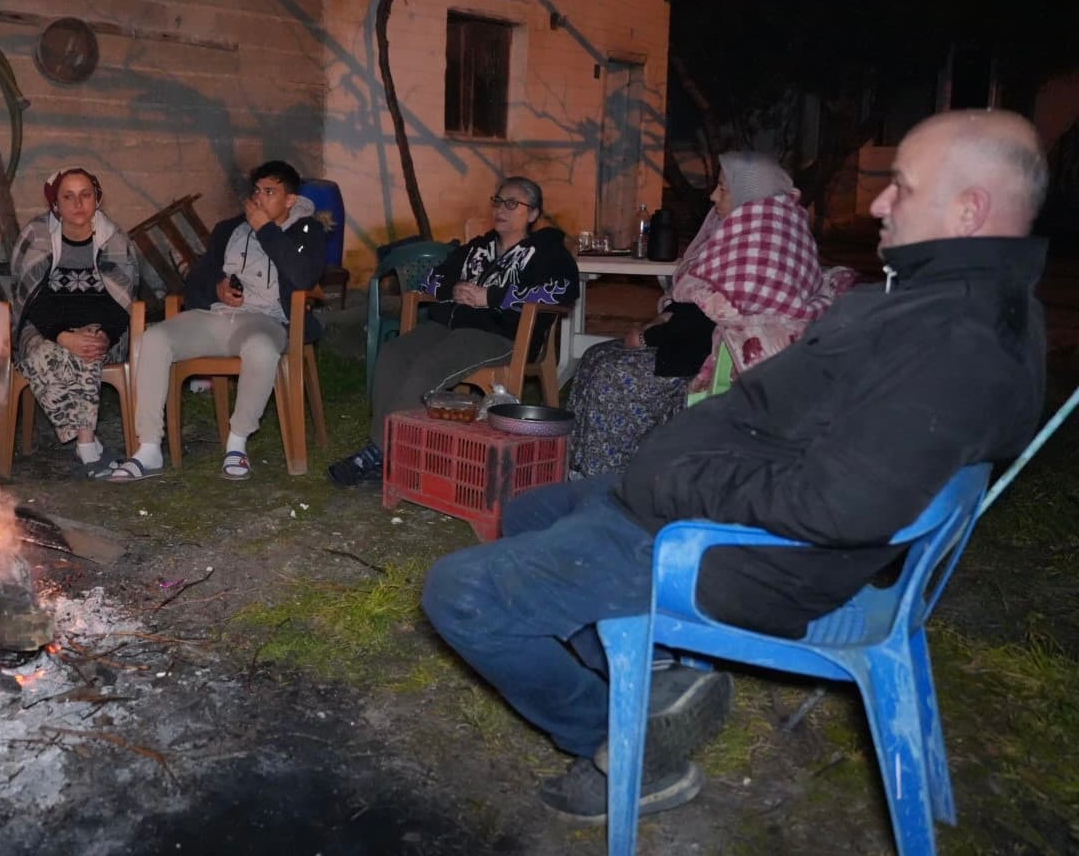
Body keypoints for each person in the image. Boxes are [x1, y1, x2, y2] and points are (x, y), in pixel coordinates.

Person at [420, 109, 1047, 822]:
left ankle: (622, 741)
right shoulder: (937, 304)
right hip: (710, 508)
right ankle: (646, 667)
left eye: (899, 187)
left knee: (460, 592)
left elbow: (840, 507)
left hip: (734, 554)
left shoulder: (956, 343)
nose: (877, 202)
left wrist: (674, 482)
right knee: (532, 509)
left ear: (968, 210)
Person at [567, 151, 854, 478]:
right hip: (701, 341)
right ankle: (579, 467)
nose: (713, 195)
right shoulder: (768, 225)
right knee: (596, 354)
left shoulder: (763, 239)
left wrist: (650, 335)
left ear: (750, 193)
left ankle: (605, 478)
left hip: (721, 360)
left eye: (723, 188)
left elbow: (719, 315)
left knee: (613, 374)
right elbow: (706, 303)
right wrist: (660, 323)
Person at [328, 177, 580, 487]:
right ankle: (386, 449)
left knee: (429, 366)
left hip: (501, 333)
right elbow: (433, 281)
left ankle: (383, 454)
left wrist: (490, 296)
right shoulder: (478, 247)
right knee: (394, 354)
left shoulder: (548, 253)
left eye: (512, 203)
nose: (501, 208)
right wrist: (455, 289)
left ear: (532, 214)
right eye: (498, 201)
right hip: (450, 323)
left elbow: (562, 292)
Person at [108, 160, 325, 482]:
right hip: (216, 317)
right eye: (257, 192)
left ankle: (237, 444)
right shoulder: (230, 230)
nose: (259, 199)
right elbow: (195, 281)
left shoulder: (308, 229)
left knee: (262, 350)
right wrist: (217, 288)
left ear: (290, 200)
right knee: (153, 339)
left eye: (270, 192)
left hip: (264, 320)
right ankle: (149, 447)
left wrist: (266, 229)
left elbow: (303, 276)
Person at [9, 167, 140, 477]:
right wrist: (62, 335)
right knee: (48, 354)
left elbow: (121, 302)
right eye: (68, 197)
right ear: (55, 205)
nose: (78, 204)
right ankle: (88, 443)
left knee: (89, 347)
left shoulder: (116, 240)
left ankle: (84, 445)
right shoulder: (36, 235)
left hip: (101, 329)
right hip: (42, 328)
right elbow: (30, 299)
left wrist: (104, 334)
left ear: (98, 199)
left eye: (86, 195)